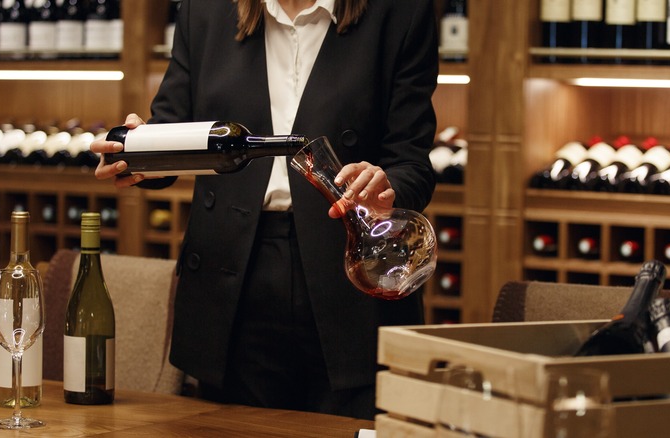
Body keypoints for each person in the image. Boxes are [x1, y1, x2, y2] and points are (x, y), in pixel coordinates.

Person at [91, 0, 437, 420]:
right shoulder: (204, 12)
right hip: (233, 278)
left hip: (349, 278)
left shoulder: (401, 13)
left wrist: (387, 186)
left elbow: (412, 163)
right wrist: (137, 153)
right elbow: (173, 130)